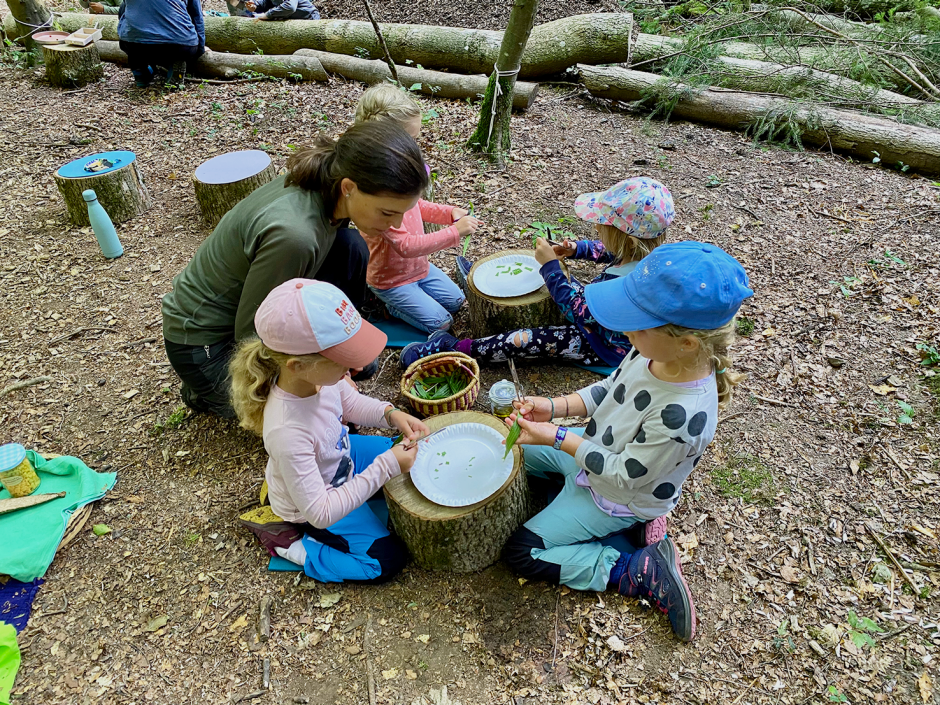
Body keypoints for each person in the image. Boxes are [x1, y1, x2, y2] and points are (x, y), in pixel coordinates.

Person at [501, 242, 753, 642]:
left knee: (523, 552)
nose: (624, 329)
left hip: (618, 496)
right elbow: (609, 389)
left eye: (636, 323)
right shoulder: (653, 352)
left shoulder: (682, 417)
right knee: (508, 447)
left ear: (687, 342)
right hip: (592, 453)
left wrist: (558, 437)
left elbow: (622, 476)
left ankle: (633, 570)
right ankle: (628, 524)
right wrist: (553, 407)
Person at [162, 120, 429, 419]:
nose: (395, 225)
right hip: (206, 342)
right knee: (319, 416)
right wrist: (320, 381)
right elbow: (251, 334)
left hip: (258, 308)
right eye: (387, 213)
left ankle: (334, 347)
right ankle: (206, 391)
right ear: (349, 188)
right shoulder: (295, 236)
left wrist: (335, 359)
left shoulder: (332, 183)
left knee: (350, 247)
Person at [231, 279, 429, 582]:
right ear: (297, 365)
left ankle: (376, 469)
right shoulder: (286, 430)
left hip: (338, 457)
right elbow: (321, 512)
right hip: (314, 503)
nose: (356, 366)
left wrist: (391, 413)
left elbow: (350, 403)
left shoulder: (319, 377)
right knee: (384, 561)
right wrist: (385, 467)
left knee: (413, 451)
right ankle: (294, 546)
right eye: (343, 359)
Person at [399, 177, 673, 368]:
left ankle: (458, 349)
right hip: (597, 312)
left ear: (623, 235)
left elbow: (577, 310)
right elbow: (611, 252)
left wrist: (551, 268)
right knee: (559, 283)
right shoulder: (645, 254)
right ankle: (481, 282)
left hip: (599, 343)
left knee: (526, 340)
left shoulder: (628, 286)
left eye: (602, 225)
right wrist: (577, 249)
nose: (597, 228)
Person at [354, 84, 481, 334]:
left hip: (419, 269)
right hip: (390, 281)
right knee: (441, 323)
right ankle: (384, 306)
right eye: (410, 140)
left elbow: (417, 205)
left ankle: (413, 299)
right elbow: (406, 246)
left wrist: (448, 213)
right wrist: (455, 233)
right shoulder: (378, 188)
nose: (415, 147)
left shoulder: (399, 169)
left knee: (456, 302)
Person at [117, 0, 206, 88]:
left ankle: (139, 71)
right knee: (180, 50)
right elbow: (197, 16)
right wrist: (200, 49)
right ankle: (176, 66)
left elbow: (122, 11)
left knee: (133, 45)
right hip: (178, 44)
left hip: (134, 43)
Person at [245, 0, 320, 20]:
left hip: (308, 18)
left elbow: (290, 7)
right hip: (290, 19)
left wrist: (268, 15)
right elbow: (267, 2)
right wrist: (255, 5)